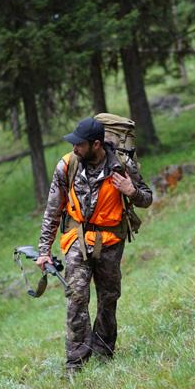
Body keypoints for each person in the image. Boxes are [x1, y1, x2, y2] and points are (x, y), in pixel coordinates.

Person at [36, 116, 152, 373]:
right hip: (77, 238)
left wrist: (130, 191)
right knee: (76, 296)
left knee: (108, 298)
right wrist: (44, 251)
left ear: (97, 144)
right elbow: (52, 211)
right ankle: (75, 363)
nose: (75, 148)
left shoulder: (123, 166)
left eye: (79, 144)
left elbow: (147, 199)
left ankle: (103, 353)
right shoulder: (67, 165)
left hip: (110, 241)